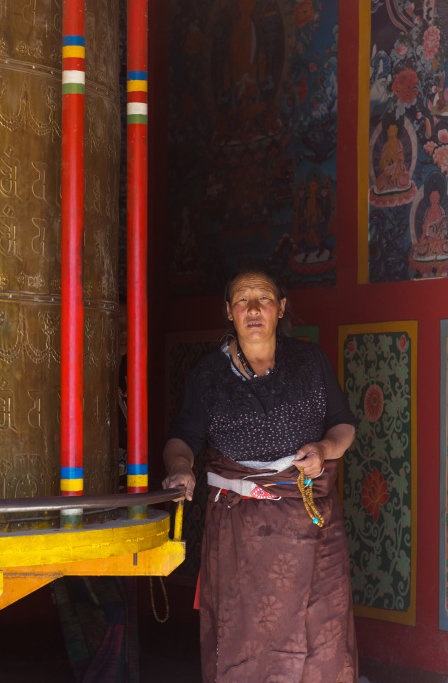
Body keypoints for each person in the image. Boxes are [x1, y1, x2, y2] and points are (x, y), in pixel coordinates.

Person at [162, 265, 357, 682]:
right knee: (245, 633)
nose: (253, 308)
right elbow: (182, 438)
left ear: (281, 308)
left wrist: (324, 449)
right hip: (242, 530)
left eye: (264, 298)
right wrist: (182, 470)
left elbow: (343, 426)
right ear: (228, 311)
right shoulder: (208, 376)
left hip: (312, 520)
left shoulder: (310, 361)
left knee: (321, 627)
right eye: (242, 300)